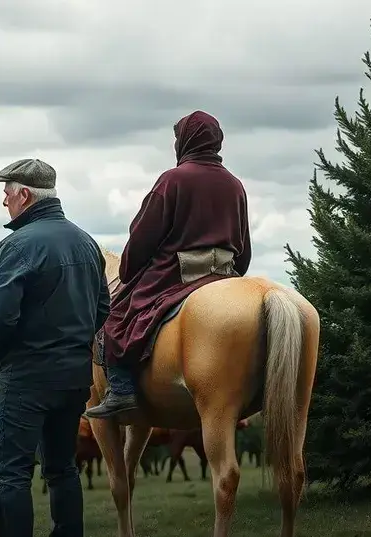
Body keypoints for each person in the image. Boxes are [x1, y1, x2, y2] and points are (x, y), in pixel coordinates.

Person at [0, 158, 110, 537]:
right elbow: (103, 307)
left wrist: (4, 359)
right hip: (73, 380)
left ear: (24, 195)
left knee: (10, 475)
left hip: (26, 378)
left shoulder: (17, 246)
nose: (4, 201)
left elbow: (0, 316)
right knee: (63, 470)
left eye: (7, 193)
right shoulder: (87, 243)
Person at [83, 111, 252, 420]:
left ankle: (121, 390)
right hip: (224, 275)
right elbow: (244, 250)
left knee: (115, 317)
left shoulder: (173, 180)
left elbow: (143, 236)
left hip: (175, 276)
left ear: (186, 141)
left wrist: (128, 270)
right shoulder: (235, 184)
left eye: (178, 138)